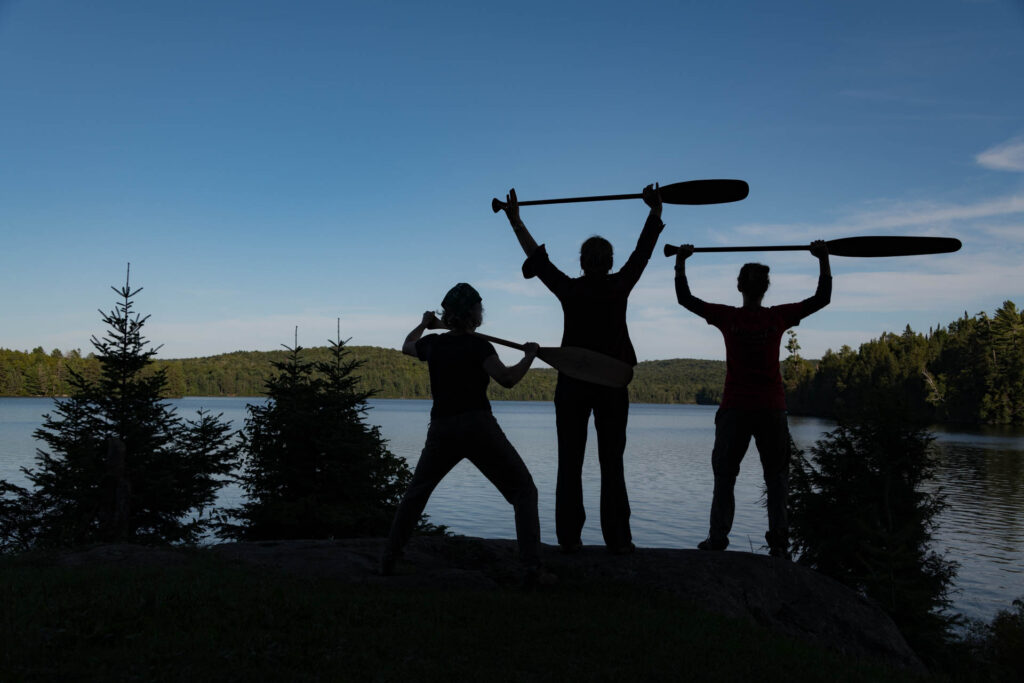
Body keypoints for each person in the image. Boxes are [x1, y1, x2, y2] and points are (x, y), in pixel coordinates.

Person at [500, 184, 665, 554]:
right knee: (612, 464)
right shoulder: (620, 286)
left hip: (572, 384)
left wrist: (516, 221)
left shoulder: (570, 290)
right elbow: (643, 253)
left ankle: (569, 539)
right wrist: (654, 212)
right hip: (611, 386)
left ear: (582, 262)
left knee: (569, 463)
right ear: (608, 262)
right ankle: (619, 541)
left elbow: (538, 260)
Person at [380, 283, 554, 583]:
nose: (481, 311)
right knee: (524, 491)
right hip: (478, 427)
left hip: (442, 429)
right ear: (472, 313)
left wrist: (423, 324)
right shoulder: (479, 347)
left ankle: (390, 559)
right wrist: (530, 355)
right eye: (478, 307)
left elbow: (407, 345)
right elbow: (508, 379)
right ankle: (532, 569)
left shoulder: (433, 344)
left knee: (416, 494)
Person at [674, 240, 831, 559]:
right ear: (766, 288)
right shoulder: (778, 318)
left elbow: (684, 299)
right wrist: (823, 259)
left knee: (725, 477)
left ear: (739, 287)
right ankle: (779, 544)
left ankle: (718, 538)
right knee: (776, 478)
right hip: (771, 410)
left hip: (735, 409)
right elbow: (822, 299)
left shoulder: (728, 317)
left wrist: (681, 262)